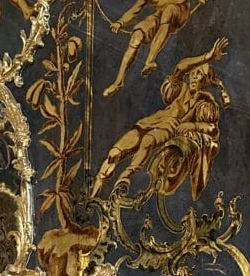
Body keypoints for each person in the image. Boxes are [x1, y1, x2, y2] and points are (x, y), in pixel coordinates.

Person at [92, 38, 229, 199]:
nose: (193, 76)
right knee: (114, 153)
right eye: (193, 73)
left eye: (199, 74)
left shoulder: (204, 103)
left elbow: (212, 129)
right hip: (151, 122)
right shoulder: (181, 89)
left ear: (205, 80)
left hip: (169, 127)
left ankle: (125, 177)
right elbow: (180, 68)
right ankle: (94, 195)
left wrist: (193, 126)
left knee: (148, 141)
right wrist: (207, 57)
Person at [102, 0, 208, 96]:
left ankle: (149, 60)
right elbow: (135, 10)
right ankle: (118, 81)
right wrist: (120, 23)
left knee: (168, 11)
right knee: (137, 34)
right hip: (162, 16)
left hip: (179, 11)